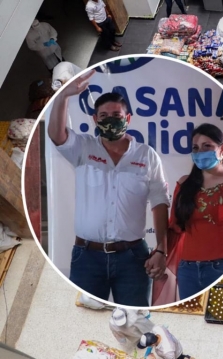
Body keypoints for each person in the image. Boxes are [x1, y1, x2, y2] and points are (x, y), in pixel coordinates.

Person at [48, 71, 169, 306]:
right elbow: (56, 135)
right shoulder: (82, 148)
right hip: (87, 257)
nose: (110, 119)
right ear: (95, 119)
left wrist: (162, 250)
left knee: (134, 321)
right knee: (84, 320)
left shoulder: (147, 156)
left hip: (133, 257)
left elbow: (160, 203)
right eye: (104, 115)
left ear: (128, 118)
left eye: (117, 115)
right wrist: (63, 96)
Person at [152, 122, 223, 303]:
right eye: (196, 147)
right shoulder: (185, 184)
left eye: (207, 146)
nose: (200, 152)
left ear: (222, 150)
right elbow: (174, 226)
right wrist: (159, 253)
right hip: (187, 269)